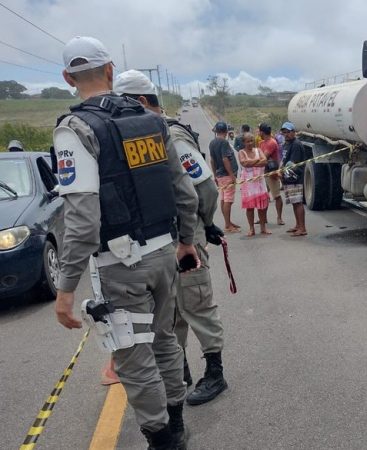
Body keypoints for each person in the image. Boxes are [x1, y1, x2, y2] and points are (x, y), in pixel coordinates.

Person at [53, 36, 199, 449]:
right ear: (111, 71)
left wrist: (65, 291)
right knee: (166, 339)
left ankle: (163, 440)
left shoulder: (75, 130)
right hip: (165, 254)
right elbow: (184, 192)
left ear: (68, 78)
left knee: (133, 358)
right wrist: (186, 242)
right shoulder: (152, 121)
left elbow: (82, 222)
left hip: (121, 264)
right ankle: (175, 421)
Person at [114, 70, 229, 407]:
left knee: (196, 306)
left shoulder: (172, 137)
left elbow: (205, 187)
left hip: (184, 239)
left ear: (140, 102)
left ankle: (215, 374)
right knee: (171, 315)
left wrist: (202, 225)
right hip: (162, 240)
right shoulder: (146, 134)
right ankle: (179, 373)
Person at [209, 121, 241, 232]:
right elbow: (225, 159)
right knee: (228, 200)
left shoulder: (212, 143)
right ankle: (228, 225)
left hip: (219, 175)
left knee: (223, 199)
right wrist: (232, 175)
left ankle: (228, 221)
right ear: (226, 132)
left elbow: (212, 161)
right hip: (227, 175)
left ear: (216, 131)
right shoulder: (224, 143)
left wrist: (215, 175)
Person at [238, 132, 270, 236]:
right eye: (247, 141)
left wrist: (251, 161)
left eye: (251, 141)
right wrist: (257, 160)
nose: (250, 143)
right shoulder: (241, 152)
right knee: (250, 207)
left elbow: (265, 161)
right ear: (243, 142)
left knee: (262, 207)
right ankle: (251, 228)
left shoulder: (258, 150)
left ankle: (263, 227)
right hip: (249, 185)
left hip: (260, 183)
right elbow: (244, 164)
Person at [280, 122, 307, 236]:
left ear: (293, 132)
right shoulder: (287, 144)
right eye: (284, 132)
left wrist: (282, 173)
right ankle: (297, 225)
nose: (286, 134)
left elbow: (293, 164)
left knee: (297, 202)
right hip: (288, 178)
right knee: (294, 203)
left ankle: (302, 228)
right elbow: (285, 160)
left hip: (294, 178)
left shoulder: (296, 144)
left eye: (288, 132)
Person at [258, 123, 284, 225]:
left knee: (276, 196)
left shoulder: (271, 143)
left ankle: (279, 218)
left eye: (259, 131)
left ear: (262, 132)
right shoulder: (262, 143)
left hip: (271, 172)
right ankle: (263, 218)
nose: (258, 133)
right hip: (264, 172)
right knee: (264, 196)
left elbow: (263, 157)